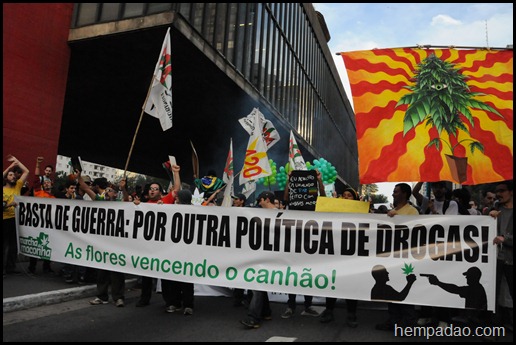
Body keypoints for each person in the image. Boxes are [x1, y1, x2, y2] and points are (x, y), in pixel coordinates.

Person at [134, 164, 181, 308]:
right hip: (148, 245)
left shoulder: (166, 201)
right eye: (151, 189)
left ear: (161, 192)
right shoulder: (143, 204)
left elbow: (176, 189)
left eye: (156, 189)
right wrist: (135, 206)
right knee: (146, 274)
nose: (153, 190)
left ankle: (170, 301)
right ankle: (144, 298)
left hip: (162, 245)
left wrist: (176, 173)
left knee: (165, 275)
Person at [280, 170, 325, 320]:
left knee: (308, 274)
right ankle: (290, 306)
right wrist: (289, 181)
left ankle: (308, 305)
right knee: (292, 276)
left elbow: (323, 197)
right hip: (294, 243)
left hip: (310, 243)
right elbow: (286, 198)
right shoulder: (293, 203)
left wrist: (319, 180)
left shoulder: (314, 203)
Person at [78, 171, 127, 307]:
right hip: (103, 244)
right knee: (102, 272)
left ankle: (118, 297)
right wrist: (78, 176)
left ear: (115, 194)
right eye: (106, 190)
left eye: (110, 191)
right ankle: (102, 296)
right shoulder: (100, 201)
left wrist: (123, 188)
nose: (107, 192)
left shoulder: (119, 203)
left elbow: (127, 200)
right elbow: (86, 188)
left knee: (117, 273)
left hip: (116, 244)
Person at [375, 183, 419, 331]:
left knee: (404, 290)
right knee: (391, 290)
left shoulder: (412, 211)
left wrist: (397, 218)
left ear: (405, 194)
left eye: (396, 192)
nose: (393, 194)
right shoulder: (392, 211)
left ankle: (409, 322)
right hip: (392, 258)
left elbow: (414, 230)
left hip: (406, 258)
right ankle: (394, 319)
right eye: (393, 192)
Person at [320, 187, 360, 327]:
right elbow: (324, 202)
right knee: (332, 282)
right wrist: (320, 182)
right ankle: (329, 310)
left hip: (352, 255)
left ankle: (351, 314)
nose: (346, 198)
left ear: (355, 199)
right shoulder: (336, 209)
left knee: (351, 284)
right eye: (344, 195)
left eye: (349, 196)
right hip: (335, 253)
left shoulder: (361, 213)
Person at [240, 191, 276, 329]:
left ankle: (253, 318)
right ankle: (266, 312)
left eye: (260, 200)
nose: (259, 203)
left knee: (257, 285)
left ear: (267, 200)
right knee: (259, 285)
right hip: (260, 255)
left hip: (272, 257)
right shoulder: (259, 215)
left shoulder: (282, 215)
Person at [162, 189, 196, 316]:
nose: (175, 200)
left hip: (187, 251)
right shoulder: (172, 210)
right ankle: (175, 303)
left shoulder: (195, 212)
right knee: (174, 278)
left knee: (186, 279)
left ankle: (188, 304)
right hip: (173, 250)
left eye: (177, 198)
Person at [490, 180, 513, 324]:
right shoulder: (495, 210)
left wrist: (505, 239)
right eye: (497, 191)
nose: (498, 194)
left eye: (502, 190)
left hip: (510, 259)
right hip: (496, 259)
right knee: (494, 294)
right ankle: (494, 328)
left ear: (511, 192)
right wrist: (489, 217)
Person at [3, 155, 29, 276]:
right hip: (4, 220)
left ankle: (10, 268)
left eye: (14, 175)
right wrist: (9, 167)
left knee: (13, 245)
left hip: (15, 219)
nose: (13, 176)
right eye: (10, 175)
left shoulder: (18, 186)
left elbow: (26, 171)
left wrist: (17, 162)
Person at [372, 265, 417, 330]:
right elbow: (400, 298)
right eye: (385, 272)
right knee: (397, 302)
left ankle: (396, 321)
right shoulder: (385, 288)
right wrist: (409, 283)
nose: (388, 273)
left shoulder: (381, 287)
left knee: (393, 302)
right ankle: (406, 324)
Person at [28, 170, 56, 275]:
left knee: (48, 245)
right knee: (36, 246)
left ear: (52, 184)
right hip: (37, 224)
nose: (46, 184)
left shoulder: (54, 198)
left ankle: (46, 267)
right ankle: (31, 268)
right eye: (44, 183)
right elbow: (35, 181)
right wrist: (38, 165)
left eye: (48, 182)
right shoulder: (38, 193)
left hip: (48, 225)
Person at [231, 193, 253, 308]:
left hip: (246, 248)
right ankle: (237, 298)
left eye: (236, 199)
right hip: (236, 248)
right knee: (238, 273)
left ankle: (250, 298)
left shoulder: (248, 212)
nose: (234, 201)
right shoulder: (231, 211)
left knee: (248, 273)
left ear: (242, 201)